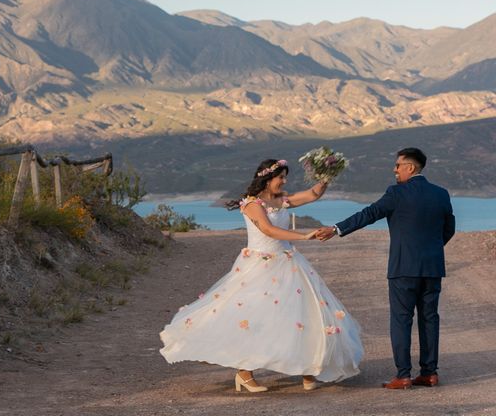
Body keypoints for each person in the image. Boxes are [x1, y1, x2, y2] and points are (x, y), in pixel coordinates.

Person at [160, 159, 364, 393]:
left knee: (304, 314)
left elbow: (312, 195)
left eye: (285, 177)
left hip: (288, 263)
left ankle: (309, 368)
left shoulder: (281, 199)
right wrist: (303, 236)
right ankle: (244, 373)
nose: (284, 182)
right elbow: (268, 230)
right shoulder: (250, 203)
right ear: (267, 178)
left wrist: (326, 177)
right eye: (281, 177)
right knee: (255, 318)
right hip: (260, 265)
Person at [316, 147, 455, 389]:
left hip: (403, 268)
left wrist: (337, 229)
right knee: (429, 319)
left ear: (410, 168)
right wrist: (430, 248)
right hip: (432, 267)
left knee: (401, 320)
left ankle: (403, 375)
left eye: (398, 165)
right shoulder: (441, 194)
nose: (395, 169)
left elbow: (369, 214)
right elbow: (449, 229)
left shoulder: (396, 193)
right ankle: (429, 373)